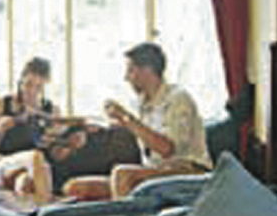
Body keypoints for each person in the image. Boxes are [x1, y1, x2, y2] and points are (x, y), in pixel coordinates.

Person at [63, 41, 210, 200]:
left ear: (147, 71)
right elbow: (142, 132)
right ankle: (115, 213)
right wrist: (102, 128)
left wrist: (127, 118)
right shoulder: (144, 103)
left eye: (130, 71)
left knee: (122, 175)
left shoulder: (177, 98)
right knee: (75, 188)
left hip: (188, 170)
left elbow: (166, 149)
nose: (126, 78)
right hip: (156, 172)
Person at [0, 57, 90, 202]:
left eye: (38, 87)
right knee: (35, 157)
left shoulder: (51, 110)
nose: (31, 91)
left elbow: (56, 155)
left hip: (32, 169)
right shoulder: (0, 104)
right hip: (1, 164)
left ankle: (35, 211)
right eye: (28, 84)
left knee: (26, 182)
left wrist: (69, 145)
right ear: (20, 81)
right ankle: (47, 208)